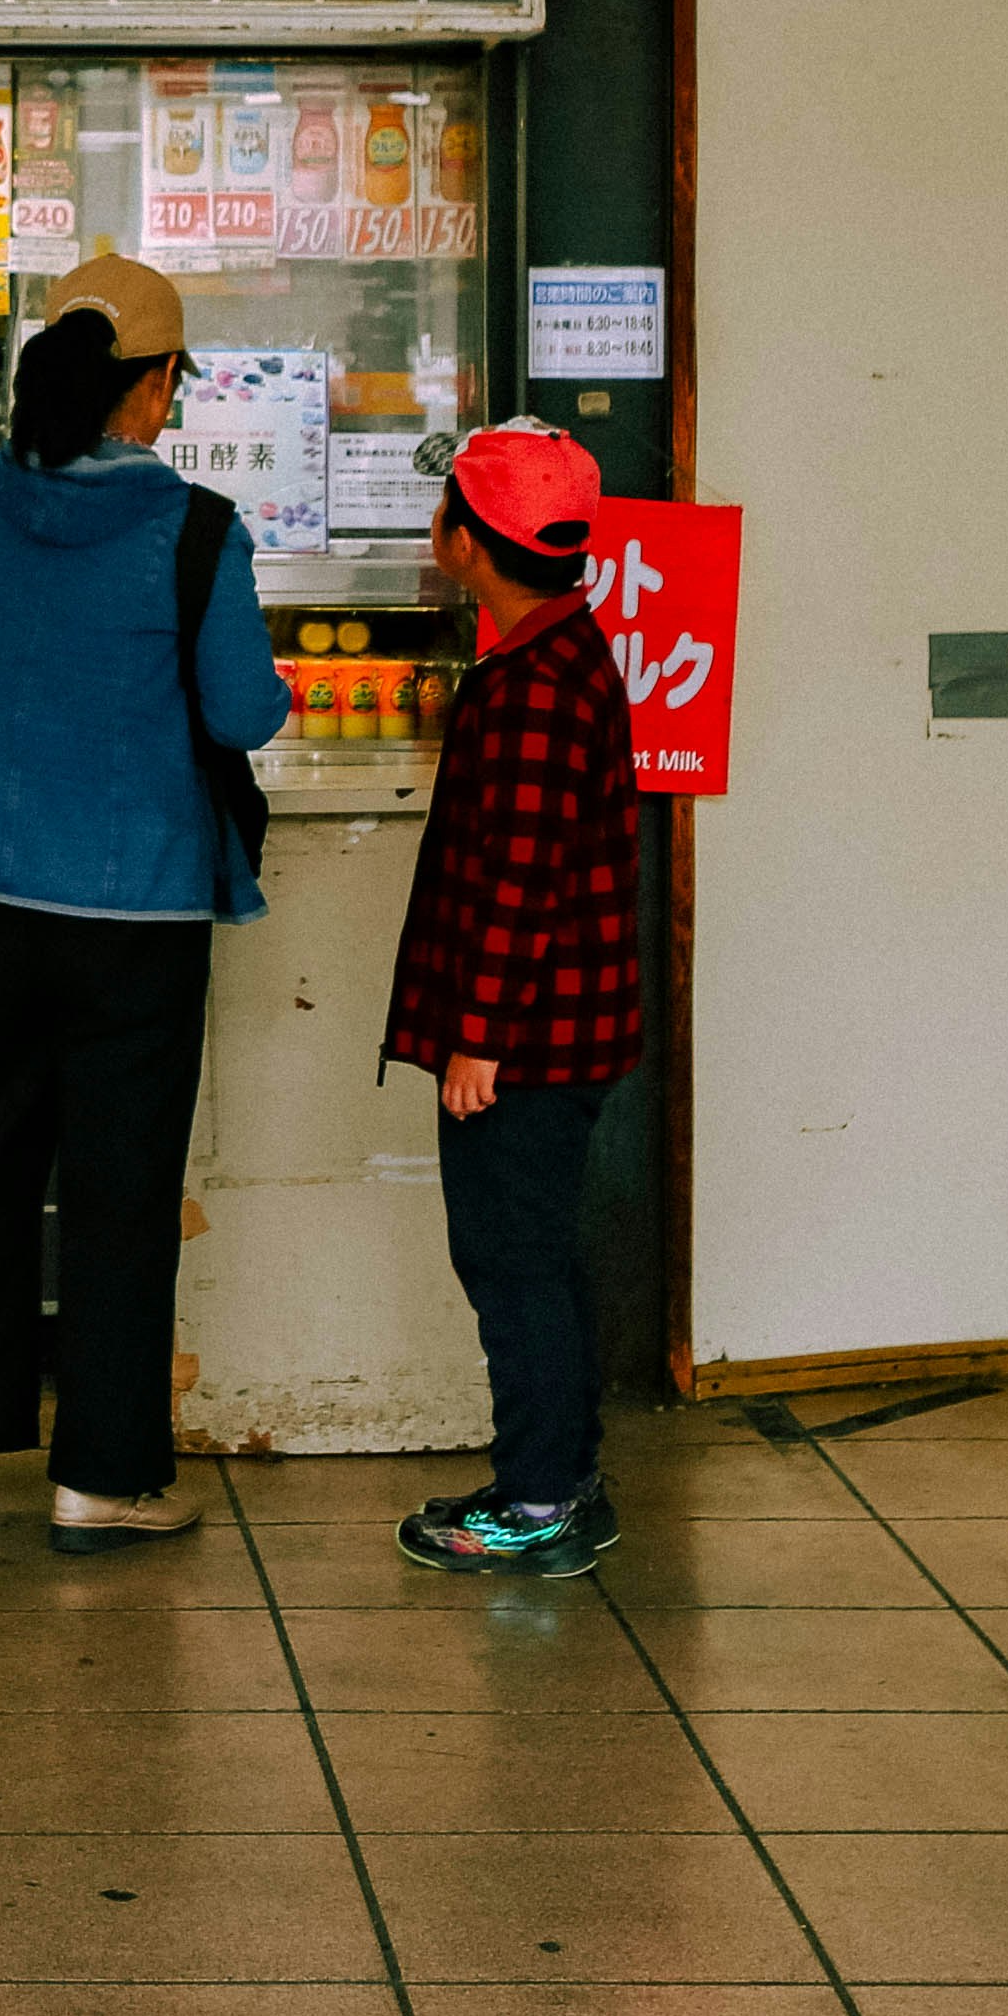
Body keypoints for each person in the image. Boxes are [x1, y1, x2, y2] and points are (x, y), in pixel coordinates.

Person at [0, 254, 290, 1554]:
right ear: (154, 380)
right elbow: (242, 711)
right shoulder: (198, 528)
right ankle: (100, 1474)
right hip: (134, 908)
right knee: (118, 1191)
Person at [378, 423, 650, 1578]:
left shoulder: (533, 685)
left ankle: (541, 1498)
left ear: (469, 542)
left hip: (526, 1039)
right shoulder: (556, 649)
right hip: (557, 1027)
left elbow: (518, 874)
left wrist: (475, 1038)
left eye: (443, 510)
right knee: (534, 1250)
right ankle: (556, 1470)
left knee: (511, 1257)